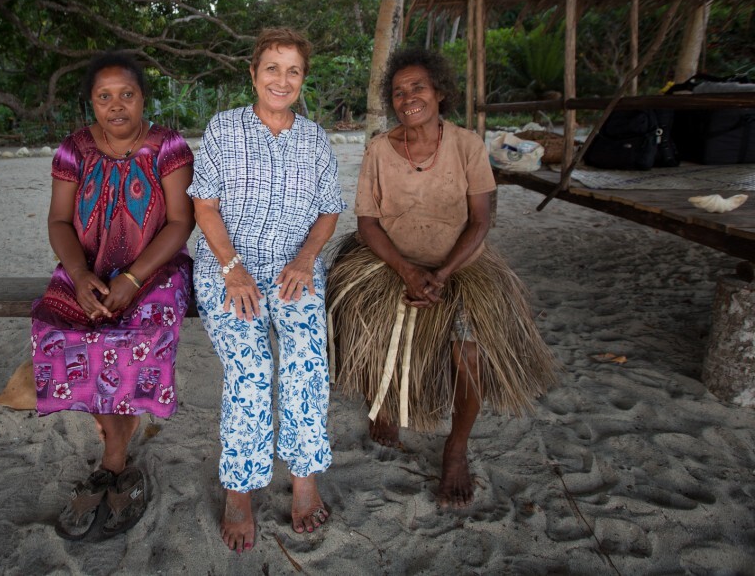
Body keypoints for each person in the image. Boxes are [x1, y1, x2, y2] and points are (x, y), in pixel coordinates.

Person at [327, 47, 558, 508]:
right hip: (390, 260)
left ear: (439, 93)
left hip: (460, 264)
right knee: (360, 316)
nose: (408, 98)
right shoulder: (378, 149)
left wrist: (443, 272)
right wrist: (407, 270)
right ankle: (384, 404)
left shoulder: (467, 145)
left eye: (418, 88)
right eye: (398, 92)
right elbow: (367, 224)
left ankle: (456, 446)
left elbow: (480, 221)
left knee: (469, 349)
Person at [188, 27, 346, 552]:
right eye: (272, 68)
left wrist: (306, 258)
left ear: (303, 79)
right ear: (253, 74)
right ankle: (239, 491)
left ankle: (305, 479)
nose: (282, 80)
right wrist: (232, 267)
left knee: (306, 358)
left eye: (293, 70)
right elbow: (204, 205)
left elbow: (329, 209)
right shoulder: (224, 128)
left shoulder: (314, 138)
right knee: (251, 368)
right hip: (228, 270)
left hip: (292, 272)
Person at [30, 51, 195, 540]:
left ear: (143, 98)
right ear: (91, 103)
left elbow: (181, 223)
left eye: (127, 94)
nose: (116, 105)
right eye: (104, 97)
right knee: (60, 333)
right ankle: (116, 451)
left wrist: (132, 279)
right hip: (89, 268)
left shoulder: (168, 146)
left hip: (156, 270)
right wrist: (80, 277)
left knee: (133, 336)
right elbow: (59, 221)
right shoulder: (73, 149)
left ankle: (113, 461)